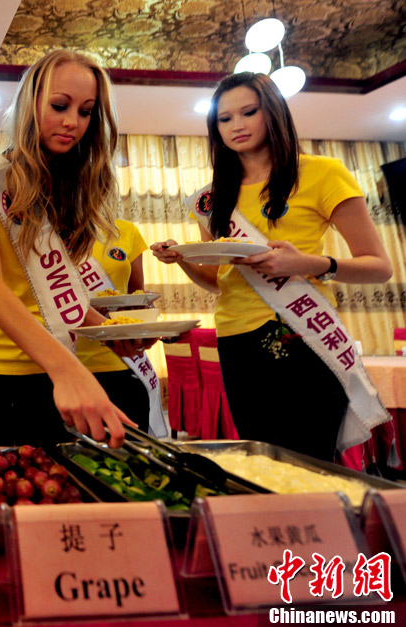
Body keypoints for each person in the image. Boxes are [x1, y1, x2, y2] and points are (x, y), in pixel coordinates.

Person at [151, 72, 392, 461]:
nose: (237, 126)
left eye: (249, 112)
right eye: (224, 119)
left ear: (274, 112)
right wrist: (183, 260)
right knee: (263, 461)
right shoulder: (214, 198)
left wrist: (309, 264)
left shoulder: (322, 173)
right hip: (234, 339)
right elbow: (218, 283)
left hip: (302, 333)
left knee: (309, 462)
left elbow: (379, 267)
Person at [0, 50, 132, 448]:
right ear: (30, 105)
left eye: (86, 112)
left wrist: (113, 333)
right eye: (59, 106)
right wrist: (67, 369)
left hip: (55, 362)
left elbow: (58, 295)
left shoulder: (76, 188)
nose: (72, 123)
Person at [75, 220, 165, 435]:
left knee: (132, 457)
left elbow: (136, 297)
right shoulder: (44, 232)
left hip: (122, 364)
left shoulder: (125, 231)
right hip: (66, 368)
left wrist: (144, 327)